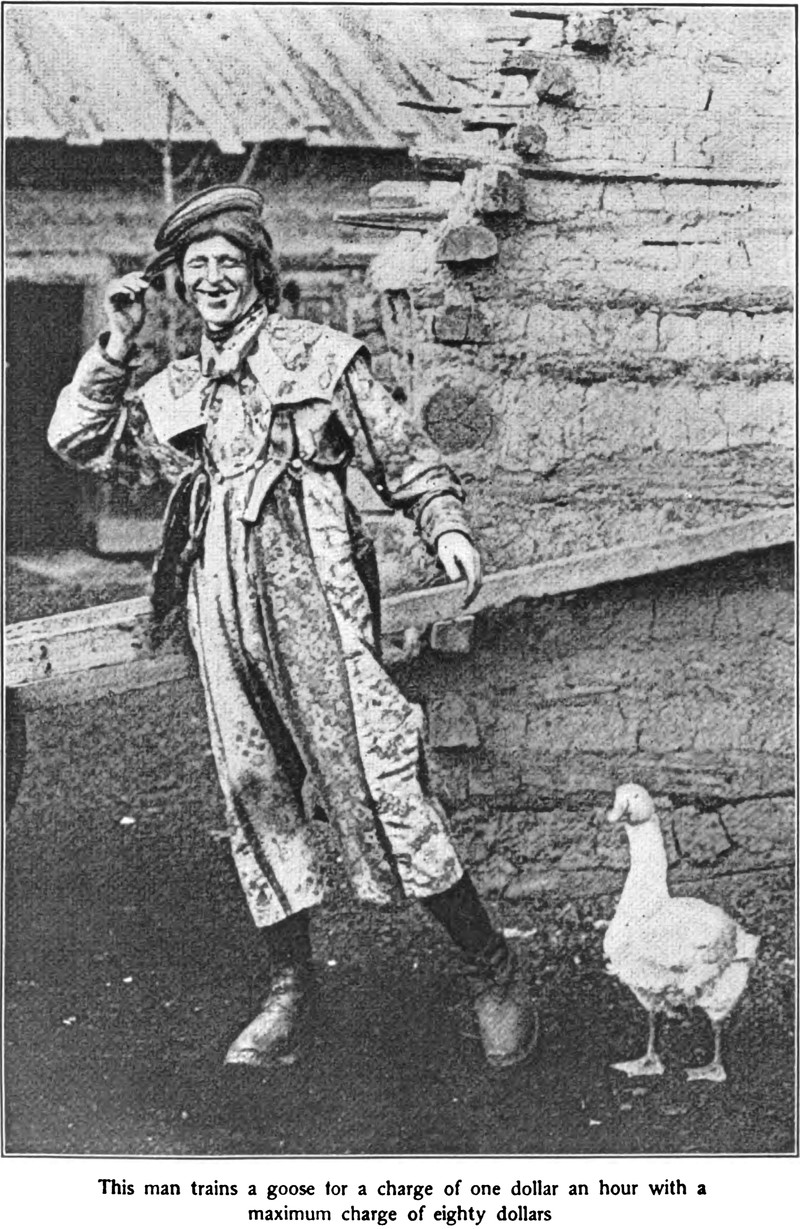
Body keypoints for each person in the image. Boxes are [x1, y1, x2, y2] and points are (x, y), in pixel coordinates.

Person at [49, 184, 536, 1070]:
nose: (212, 279)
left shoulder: (320, 358)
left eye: (228, 263)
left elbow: (402, 455)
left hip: (319, 604)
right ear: (179, 285)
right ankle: (291, 988)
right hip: (221, 610)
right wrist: (116, 345)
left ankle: (489, 965)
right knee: (255, 787)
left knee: (377, 777)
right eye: (196, 268)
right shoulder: (176, 389)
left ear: (258, 273)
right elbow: (80, 443)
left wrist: (446, 527)